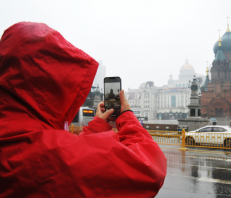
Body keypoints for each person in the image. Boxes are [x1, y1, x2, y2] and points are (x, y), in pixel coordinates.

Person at [0, 22, 166, 198]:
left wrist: (96, 128)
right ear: (51, 86)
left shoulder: (16, 137)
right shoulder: (46, 153)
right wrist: (126, 116)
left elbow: (76, 157)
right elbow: (149, 168)